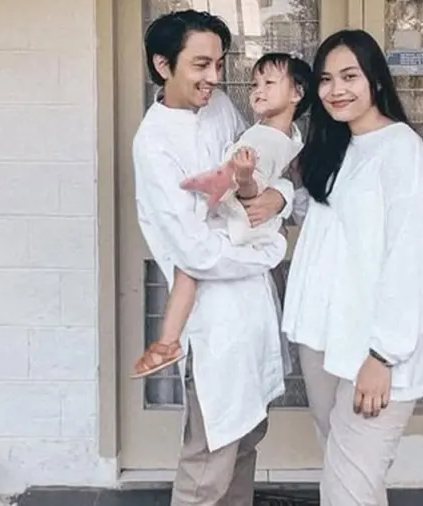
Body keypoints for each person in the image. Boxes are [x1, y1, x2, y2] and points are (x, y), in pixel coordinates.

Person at [281, 29, 423, 506]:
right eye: (325, 79)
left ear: (375, 80)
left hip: (376, 351)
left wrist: (383, 356)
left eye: (349, 76)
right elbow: (326, 225)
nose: (335, 89)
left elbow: (411, 256)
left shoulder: (401, 149)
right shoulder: (337, 146)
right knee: (353, 481)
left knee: (346, 492)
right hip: (324, 338)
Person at [131, 9, 295, 506]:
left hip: (253, 309)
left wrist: (281, 197)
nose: (214, 77)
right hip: (213, 320)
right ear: (163, 65)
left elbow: (260, 171)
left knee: (246, 441)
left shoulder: (220, 107)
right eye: (201, 65)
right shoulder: (154, 143)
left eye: (220, 64)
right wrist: (269, 248)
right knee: (209, 459)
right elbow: (197, 251)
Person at [132, 52, 313, 379]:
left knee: (188, 273)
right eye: (254, 84)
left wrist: (246, 182)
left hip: (236, 229)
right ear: (164, 65)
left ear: (297, 93)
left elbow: (254, 186)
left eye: (269, 83)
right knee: (189, 270)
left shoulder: (264, 135)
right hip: (226, 248)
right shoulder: (154, 139)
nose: (258, 90)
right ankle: (169, 343)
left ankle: (167, 342)